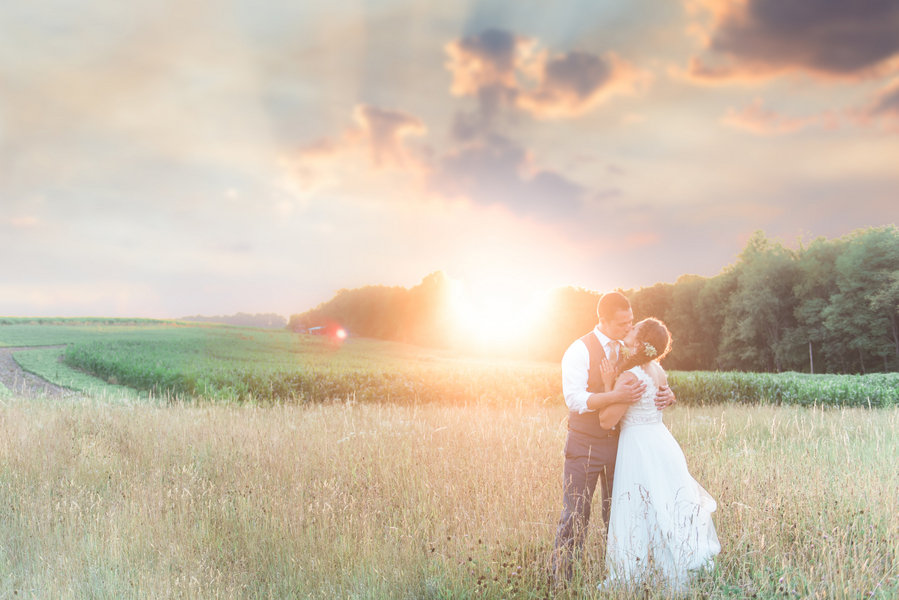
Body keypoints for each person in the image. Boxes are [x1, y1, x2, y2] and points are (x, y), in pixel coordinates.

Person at [551, 292, 676, 584]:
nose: (628, 328)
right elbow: (574, 398)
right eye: (622, 323)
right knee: (576, 513)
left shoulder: (631, 351)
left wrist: (669, 394)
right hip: (585, 445)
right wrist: (614, 394)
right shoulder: (579, 350)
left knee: (618, 513)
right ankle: (561, 581)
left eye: (631, 322)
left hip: (622, 446)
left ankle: (623, 572)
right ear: (603, 320)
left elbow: (652, 380)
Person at [598, 317, 720, 593]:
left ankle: (638, 572)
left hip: (639, 447)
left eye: (633, 330)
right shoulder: (658, 371)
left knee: (637, 508)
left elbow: (607, 421)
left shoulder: (629, 376)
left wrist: (608, 383)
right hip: (662, 443)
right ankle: (673, 566)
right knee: (666, 505)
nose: (628, 331)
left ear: (640, 343)